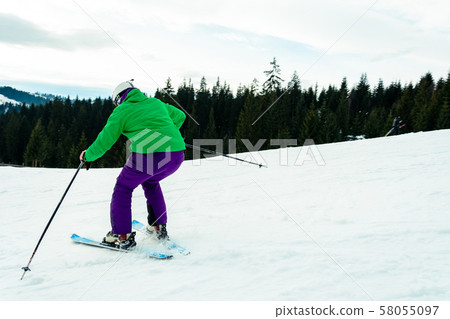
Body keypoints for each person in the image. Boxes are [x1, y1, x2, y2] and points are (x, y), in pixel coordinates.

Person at [79, 80, 186, 249]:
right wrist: (167, 134)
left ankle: (122, 236)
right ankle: (158, 227)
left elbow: (104, 141)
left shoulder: (121, 111)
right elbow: (180, 116)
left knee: (123, 187)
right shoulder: (155, 102)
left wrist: (87, 156)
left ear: (119, 99)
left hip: (150, 155)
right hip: (177, 154)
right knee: (150, 181)